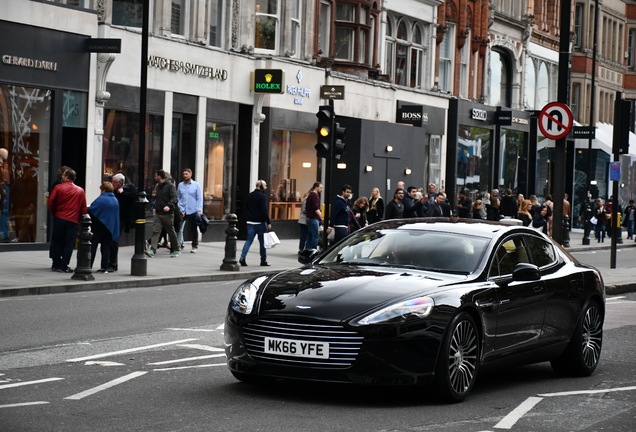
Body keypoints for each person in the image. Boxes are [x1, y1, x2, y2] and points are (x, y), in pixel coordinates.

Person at [48, 168, 88, 272]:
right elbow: (83, 208)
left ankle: (56, 264)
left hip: (60, 217)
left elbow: (51, 202)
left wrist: (55, 213)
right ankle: (64, 265)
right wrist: (81, 220)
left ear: (66, 177)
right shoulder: (80, 190)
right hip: (73, 220)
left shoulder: (58, 187)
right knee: (69, 243)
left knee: (57, 241)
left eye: (64, 175)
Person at [145, 170, 181, 258]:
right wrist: (154, 207)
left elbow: (174, 198)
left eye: (155, 175)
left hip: (168, 214)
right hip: (159, 213)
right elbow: (158, 199)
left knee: (171, 231)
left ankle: (176, 249)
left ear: (160, 176)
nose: (154, 177)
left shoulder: (170, 186)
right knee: (156, 231)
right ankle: (152, 250)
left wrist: (169, 206)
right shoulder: (158, 187)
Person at [88, 182, 120, 273]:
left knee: (93, 245)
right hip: (110, 228)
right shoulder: (115, 200)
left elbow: (92, 209)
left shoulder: (102, 199)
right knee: (105, 247)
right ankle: (104, 267)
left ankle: (88, 265)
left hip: (99, 225)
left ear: (104, 190)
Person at [109, 172, 137, 272]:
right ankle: (110, 262)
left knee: (114, 240)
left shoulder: (128, 189)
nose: (112, 183)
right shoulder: (113, 191)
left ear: (120, 183)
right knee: (110, 240)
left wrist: (123, 193)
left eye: (114, 182)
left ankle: (112, 264)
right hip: (113, 217)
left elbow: (134, 196)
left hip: (121, 218)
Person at [239, 180, 272, 266]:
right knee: (262, 242)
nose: (266, 187)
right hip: (260, 223)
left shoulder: (250, 195)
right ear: (261, 186)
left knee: (249, 240)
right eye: (265, 185)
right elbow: (264, 210)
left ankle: (242, 257)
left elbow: (246, 207)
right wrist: (268, 222)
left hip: (250, 221)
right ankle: (263, 260)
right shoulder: (262, 196)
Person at [177, 168, 203, 253]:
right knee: (179, 228)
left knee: (193, 229)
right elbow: (178, 197)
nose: (184, 176)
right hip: (182, 210)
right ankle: (179, 245)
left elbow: (199, 198)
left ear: (190, 175)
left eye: (186, 174)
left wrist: (199, 209)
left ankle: (194, 246)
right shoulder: (180, 185)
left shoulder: (196, 185)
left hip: (193, 210)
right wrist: (179, 207)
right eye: (183, 174)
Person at [305, 182, 323, 250]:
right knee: (315, 235)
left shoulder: (310, 195)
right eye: (320, 188)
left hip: (309, 218)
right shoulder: (315, 195)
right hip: (313, 218)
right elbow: (315, 208)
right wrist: (321, 216)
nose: (322, 189)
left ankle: (307, 250)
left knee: (310, 236)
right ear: (316, 187)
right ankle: (313, 250)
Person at [0, 148, 9, 242]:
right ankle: (4, 234)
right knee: (4, 212)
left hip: (3, 188)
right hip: (3, 189)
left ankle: (4, 234)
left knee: (4, 212)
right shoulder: (2, 166)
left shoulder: (3, 166)